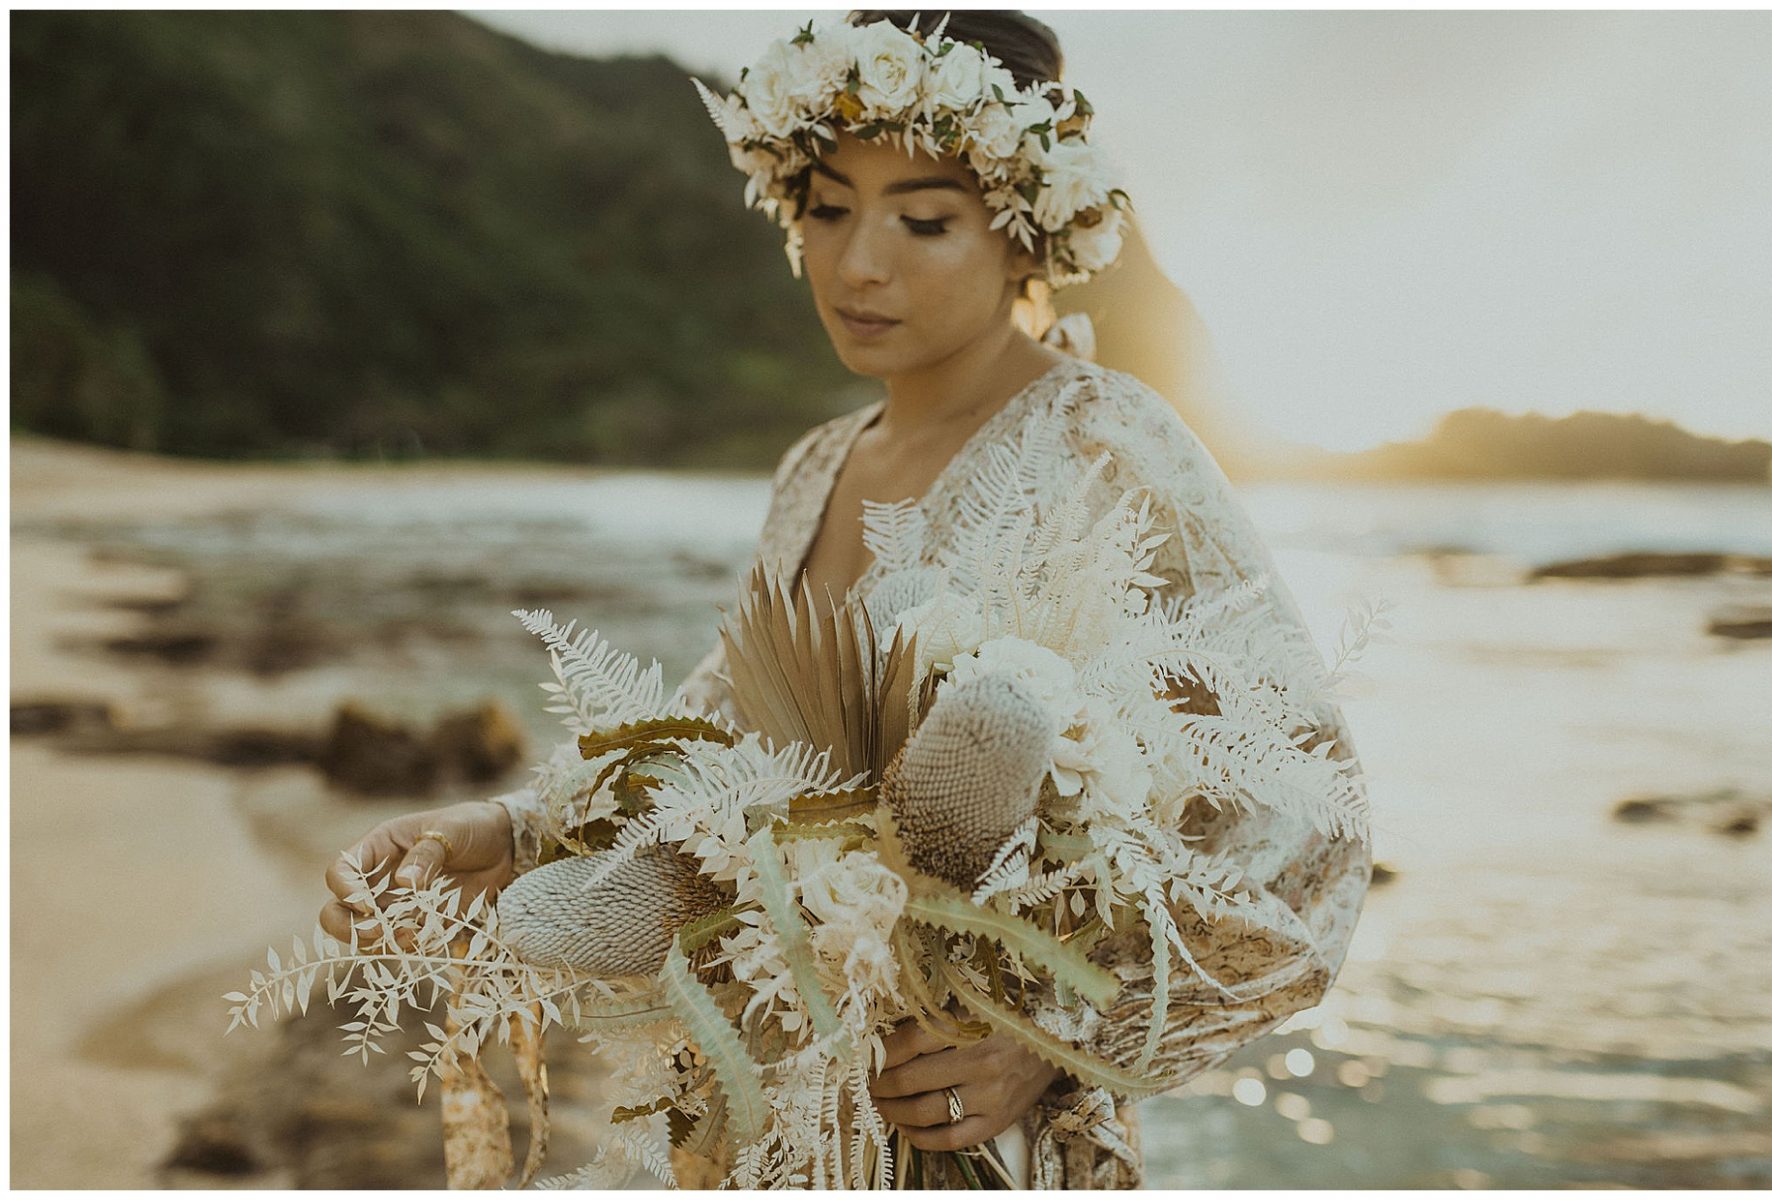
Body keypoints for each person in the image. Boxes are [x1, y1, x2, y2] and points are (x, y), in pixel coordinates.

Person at [320, 10, 1371, 1189]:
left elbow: (1305, 818)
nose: (856, 262)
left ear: (1024, 237)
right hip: (762, 1086)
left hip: (964, 1128)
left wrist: (1062, 1039)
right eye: (826, 208)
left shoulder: (1104, 438)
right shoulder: (816, 464)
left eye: (922, 220)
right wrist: (510, 835)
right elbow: (720, 739)